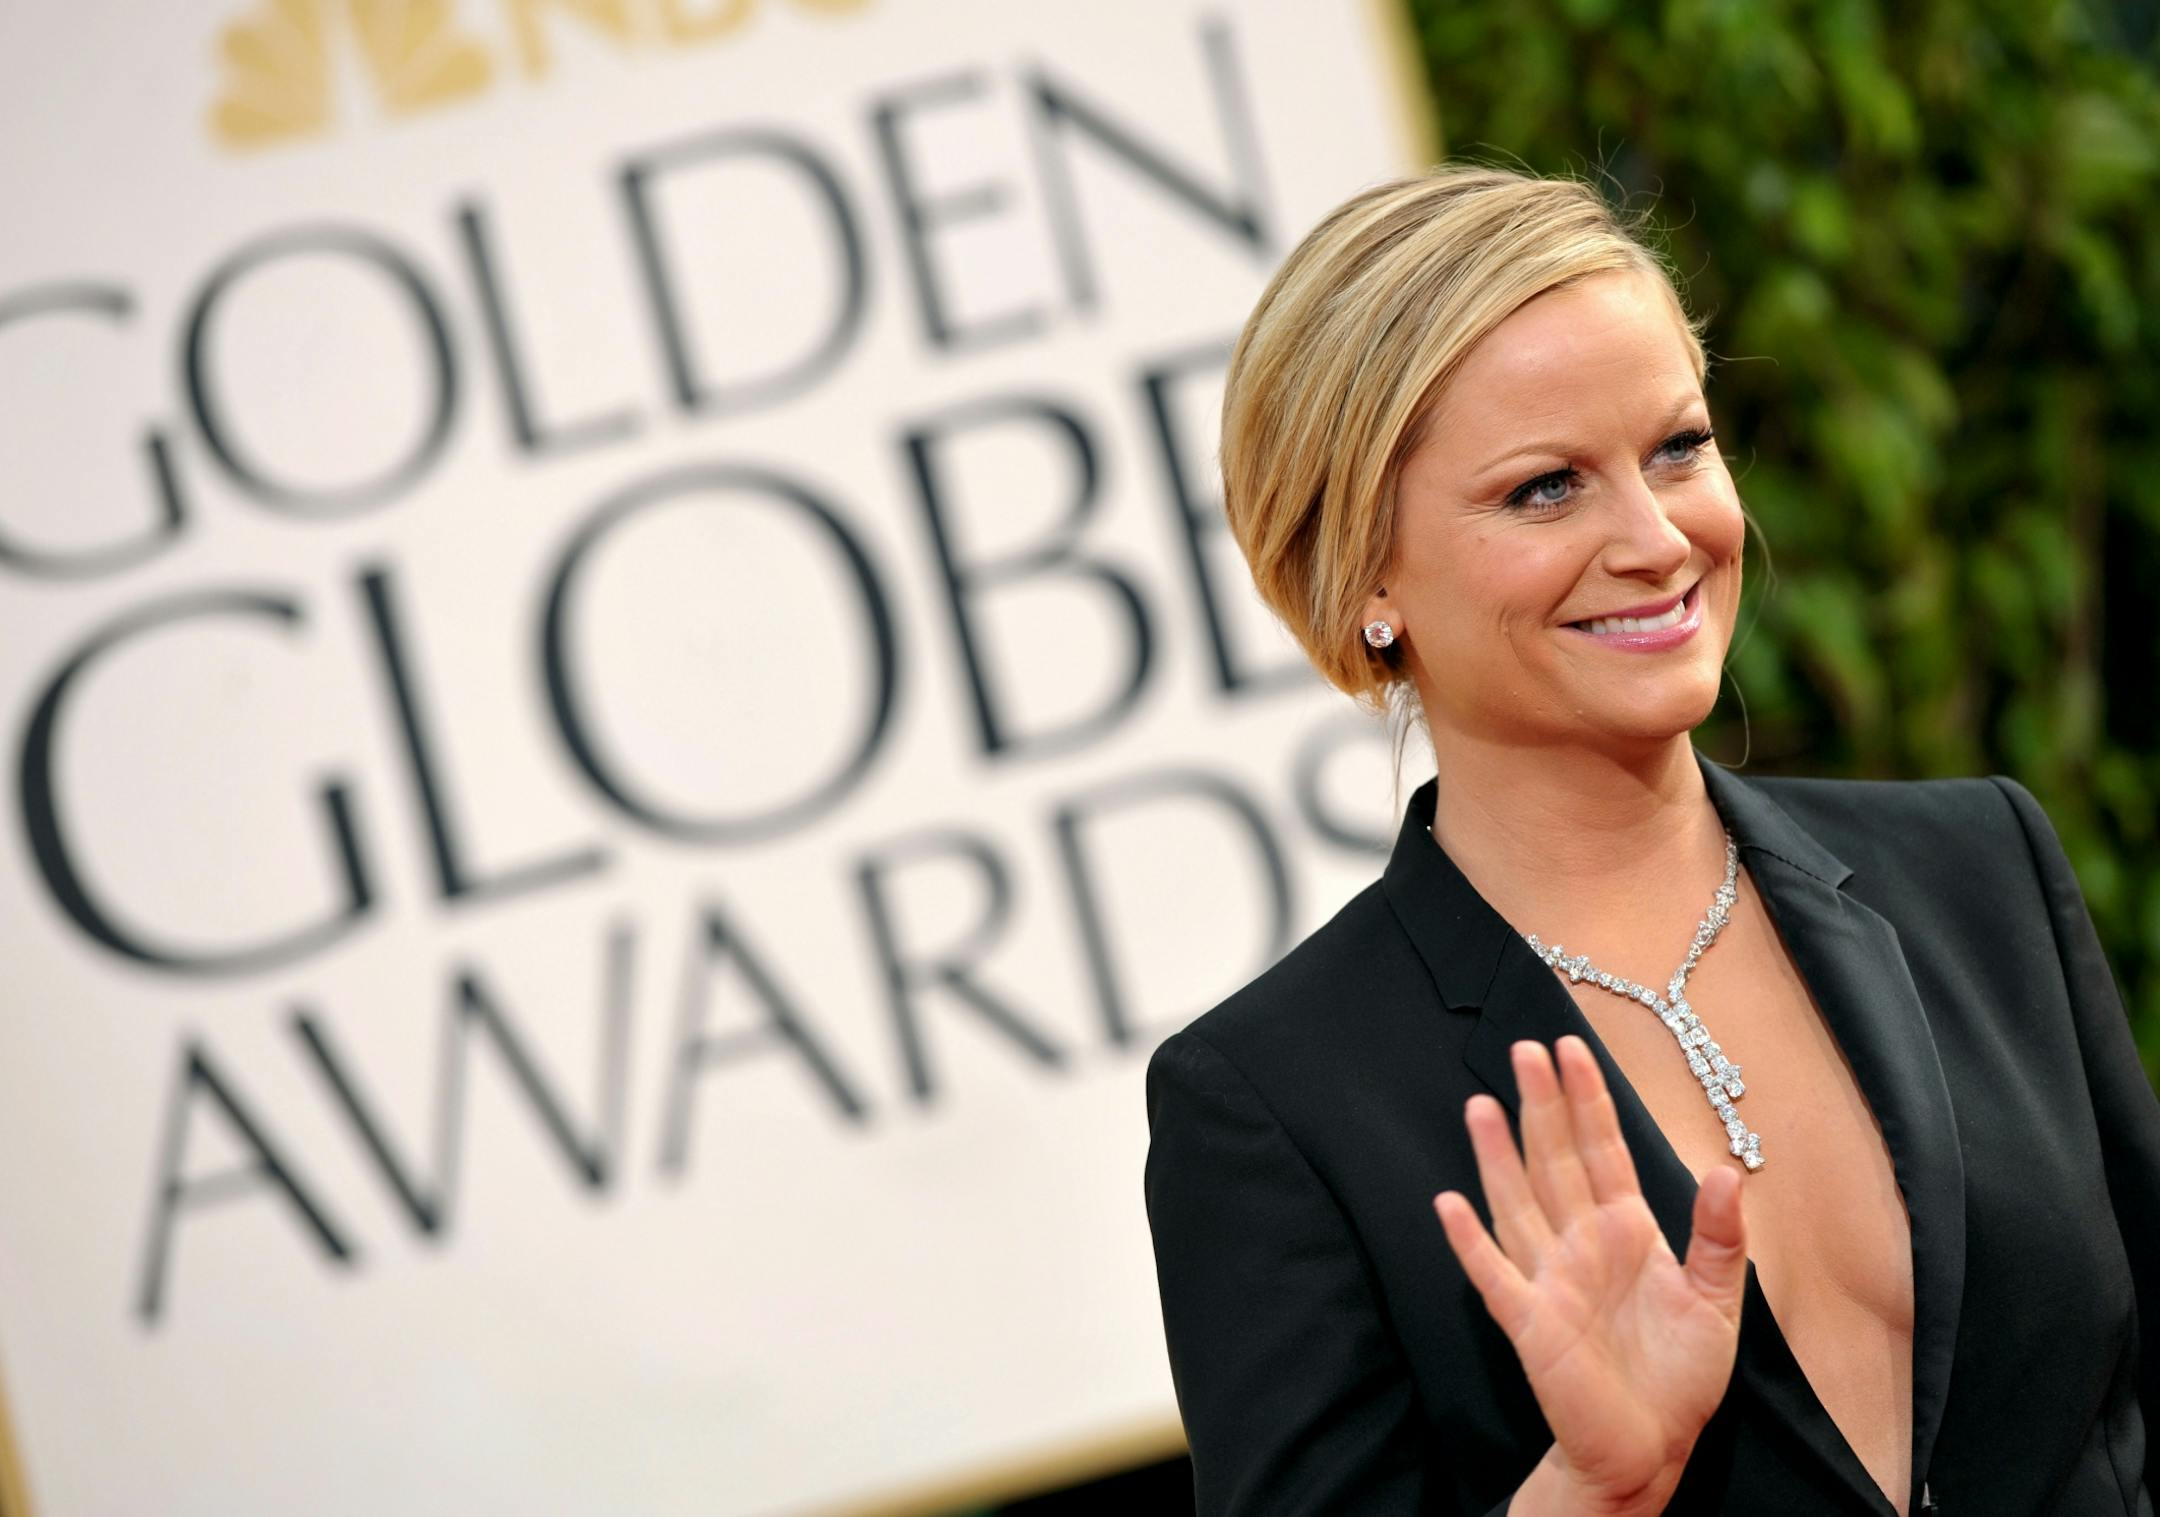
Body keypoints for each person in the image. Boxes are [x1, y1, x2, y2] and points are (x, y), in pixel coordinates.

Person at [1141, 163, 2160, 1516]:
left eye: (1678, 447)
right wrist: (1595, 1492)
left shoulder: (1983, 871)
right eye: (1546, 489)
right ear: (1367, 575)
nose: (1656, 536)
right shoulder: (1274, 1108)